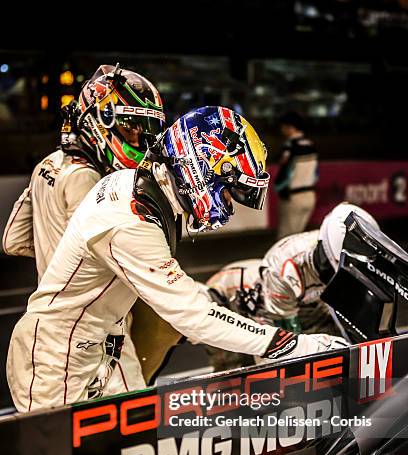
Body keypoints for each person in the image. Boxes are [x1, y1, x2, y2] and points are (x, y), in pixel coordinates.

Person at [6, 106, 348, 413]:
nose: (227, 201)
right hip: (58, 361)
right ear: (199, 167)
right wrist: (292, 345)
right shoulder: (130, 221)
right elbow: (194, 317)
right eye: (228, 188)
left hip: (102, 350)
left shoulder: (133, 185)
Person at [2, 64, 166, 394]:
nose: (139, 139)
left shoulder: (47, 165)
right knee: (130, 436)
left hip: (48, 332)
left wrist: (52, 260)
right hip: (95, 344)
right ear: (100, 119)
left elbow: (13, 240)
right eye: (131, 126)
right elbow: (108, 258)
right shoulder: (93, 181)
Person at [206, 203, 379, 354]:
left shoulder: (338, 246)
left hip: (292, 300)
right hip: (230, 302)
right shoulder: (286, 269)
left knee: (330, 342)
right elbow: (282, 343)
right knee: (240, 372)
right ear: (325, 259)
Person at [274, 110, 318, 240]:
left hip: (293, 197)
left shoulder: (289, 146)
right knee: (298, 239)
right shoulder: (311, 144)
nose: (281, 130)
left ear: (289, 127)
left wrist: (278, 188)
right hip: (310, 196)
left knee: (284, 241)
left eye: (283, 127)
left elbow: (284, 172)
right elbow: (316, 174)